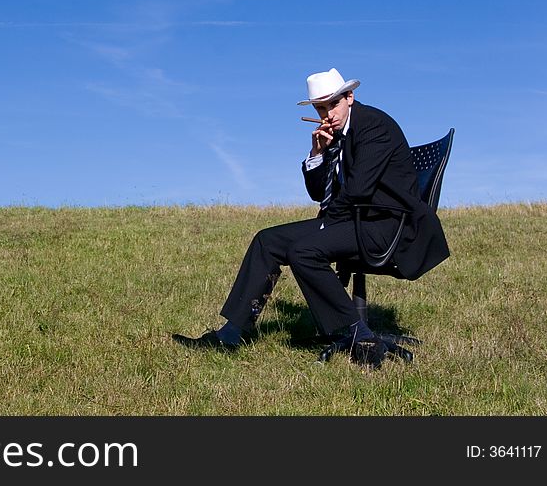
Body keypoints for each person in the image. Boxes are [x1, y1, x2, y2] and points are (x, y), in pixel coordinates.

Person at [172, 68, 449, 359]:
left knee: (304, 250)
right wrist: (317, 152)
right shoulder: (338, 134)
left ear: (350, 97)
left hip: (389, 226)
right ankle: (230, 334)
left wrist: (324, 226)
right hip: (355, 220)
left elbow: (358, 191)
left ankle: (359, 335)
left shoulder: (373, 126)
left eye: (334, 104)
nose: (328, 113)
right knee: (268, 240)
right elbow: (319, 193)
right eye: (321, 107)